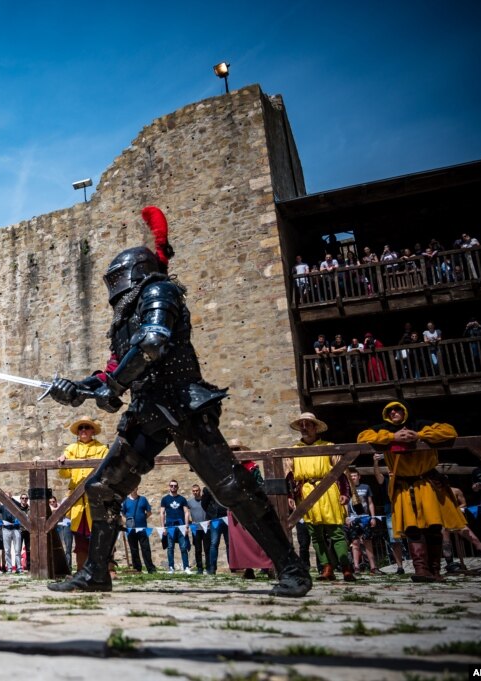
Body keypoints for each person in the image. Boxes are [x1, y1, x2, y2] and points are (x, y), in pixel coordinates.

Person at [46, 206, 311, 596]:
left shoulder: (159, 291)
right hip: (147, 411)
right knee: (103, 487)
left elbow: (152, 343)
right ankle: (95, 573)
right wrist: (77, 389)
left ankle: (292, 570)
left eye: (118, 278)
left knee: (229, 487)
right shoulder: (123, 320)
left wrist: (114, 386)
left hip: (183, 404)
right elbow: (115, 368)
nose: (114, 287)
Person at [357, 401, 465, 582]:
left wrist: (419, 435)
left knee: (433, 527)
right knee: (412, 528)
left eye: (397, 409)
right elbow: (362, 437)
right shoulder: (383, 429)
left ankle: (435, 571)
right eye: (390, 410)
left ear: (405, 411)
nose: (393, 412)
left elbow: (449, 431)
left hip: (427, 482)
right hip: (404, 485)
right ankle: (421, 570)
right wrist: (393, 436)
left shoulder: (421, 424)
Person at [286, 412, 354, 582]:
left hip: (329, 489)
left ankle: (346, 567)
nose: (303, 428)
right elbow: (289, 475)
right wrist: (291, 495)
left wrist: (345, 492)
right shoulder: (293, 450)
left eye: (307, 424)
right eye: (301, 425)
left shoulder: (328, 446)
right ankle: (327, 567)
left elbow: (341, 471)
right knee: (315, 533)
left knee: (336, 531)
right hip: (305, 491)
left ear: (315, 427)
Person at [57, 417, 109, 571]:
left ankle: (104, 570)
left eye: (87, 427)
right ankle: (81, 570)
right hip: (77, 500)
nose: (84, 430)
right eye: (81, 428)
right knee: (79, 537)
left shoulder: (102, 449)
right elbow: (65, 475)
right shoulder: (71, 449)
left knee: (99, 536)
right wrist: (63, 461)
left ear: (93, 431)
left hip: (95, 498)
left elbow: (108, 470)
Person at [345, 468, 379, 575]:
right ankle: (356, 567)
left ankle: (373, 567)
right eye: (351, 476)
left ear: (359, 476)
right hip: (353, 518)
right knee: (355, 543)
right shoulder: (347, 489)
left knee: (368, 542)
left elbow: (370, 503)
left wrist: (373, 517)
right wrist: (346, 517)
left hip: (365, 517)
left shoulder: (366, 487)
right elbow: (345, 504)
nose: (353, 478)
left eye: (355, 475)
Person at [160, 480, 192, 573]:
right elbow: (162, 513)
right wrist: (163, 527)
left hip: (181, 526)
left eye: (175, 486)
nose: (173, 487)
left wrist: (186, 526)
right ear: (169, 487)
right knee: (170, 548)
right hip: (169, 526)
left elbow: (186, 512)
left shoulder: (182, 499)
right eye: (171, 485)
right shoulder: (165, 499)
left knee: (183, 547)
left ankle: (186, 567)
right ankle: (171, 568)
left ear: (178, 487)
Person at [121, 487, 156, 573]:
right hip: (130, 529)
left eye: (134, 487)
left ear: (137, 488)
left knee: (146, 549)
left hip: (142, 528)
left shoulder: (143, 499)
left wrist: (142, 519)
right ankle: (137, 568)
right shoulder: (126, 501)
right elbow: (123, 513)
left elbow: (149, 512)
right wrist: (129, 522)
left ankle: (150, 569)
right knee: (134, 549)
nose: (133, 489)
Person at [0, 493, 26, 574]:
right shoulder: (3, 507)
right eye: (5, 496)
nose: (7, 498)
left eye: (8, 496)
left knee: (17, 550)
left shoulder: (15, 505)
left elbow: (19, 505)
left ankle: (19, 567)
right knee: (7, 550)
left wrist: (11, 498)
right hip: (6, 529)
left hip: (16, 529)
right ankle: (9, 567)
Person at [188, 484, 211, 574]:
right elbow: (184, 512)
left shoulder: (205, 500)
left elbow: (211, 510)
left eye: (197, 490)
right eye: (193, 491)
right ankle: (199, 568)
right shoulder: (189, 502)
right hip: (196, 529)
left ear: (200, 490)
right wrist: (189, 522)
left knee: (207, 549)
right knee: (198, 549)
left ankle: (209, 567)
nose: (195, 492)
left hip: (206, 528)